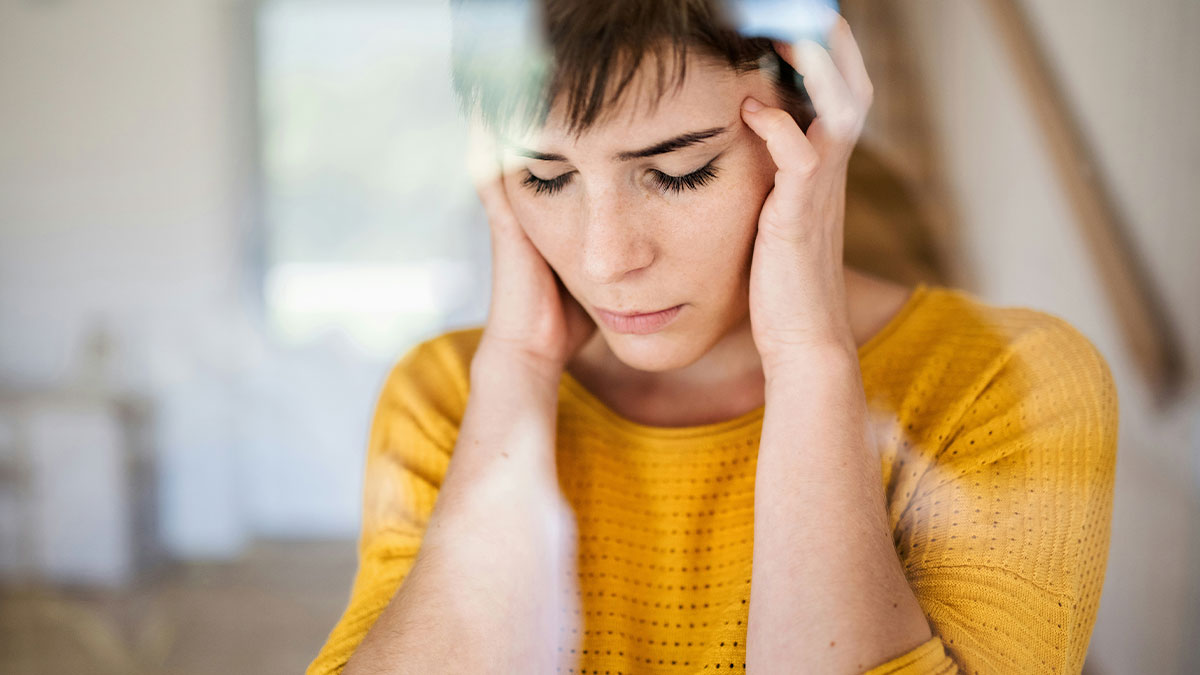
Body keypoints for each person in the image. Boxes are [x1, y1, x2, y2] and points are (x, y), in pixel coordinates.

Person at [308, 1, 1118, 673]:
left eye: (678, 170)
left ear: (815, 115)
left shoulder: (1008, 382)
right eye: (544, 177)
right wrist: (515, 375)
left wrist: (809, 358)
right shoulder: (448, 396)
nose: (605, 257)